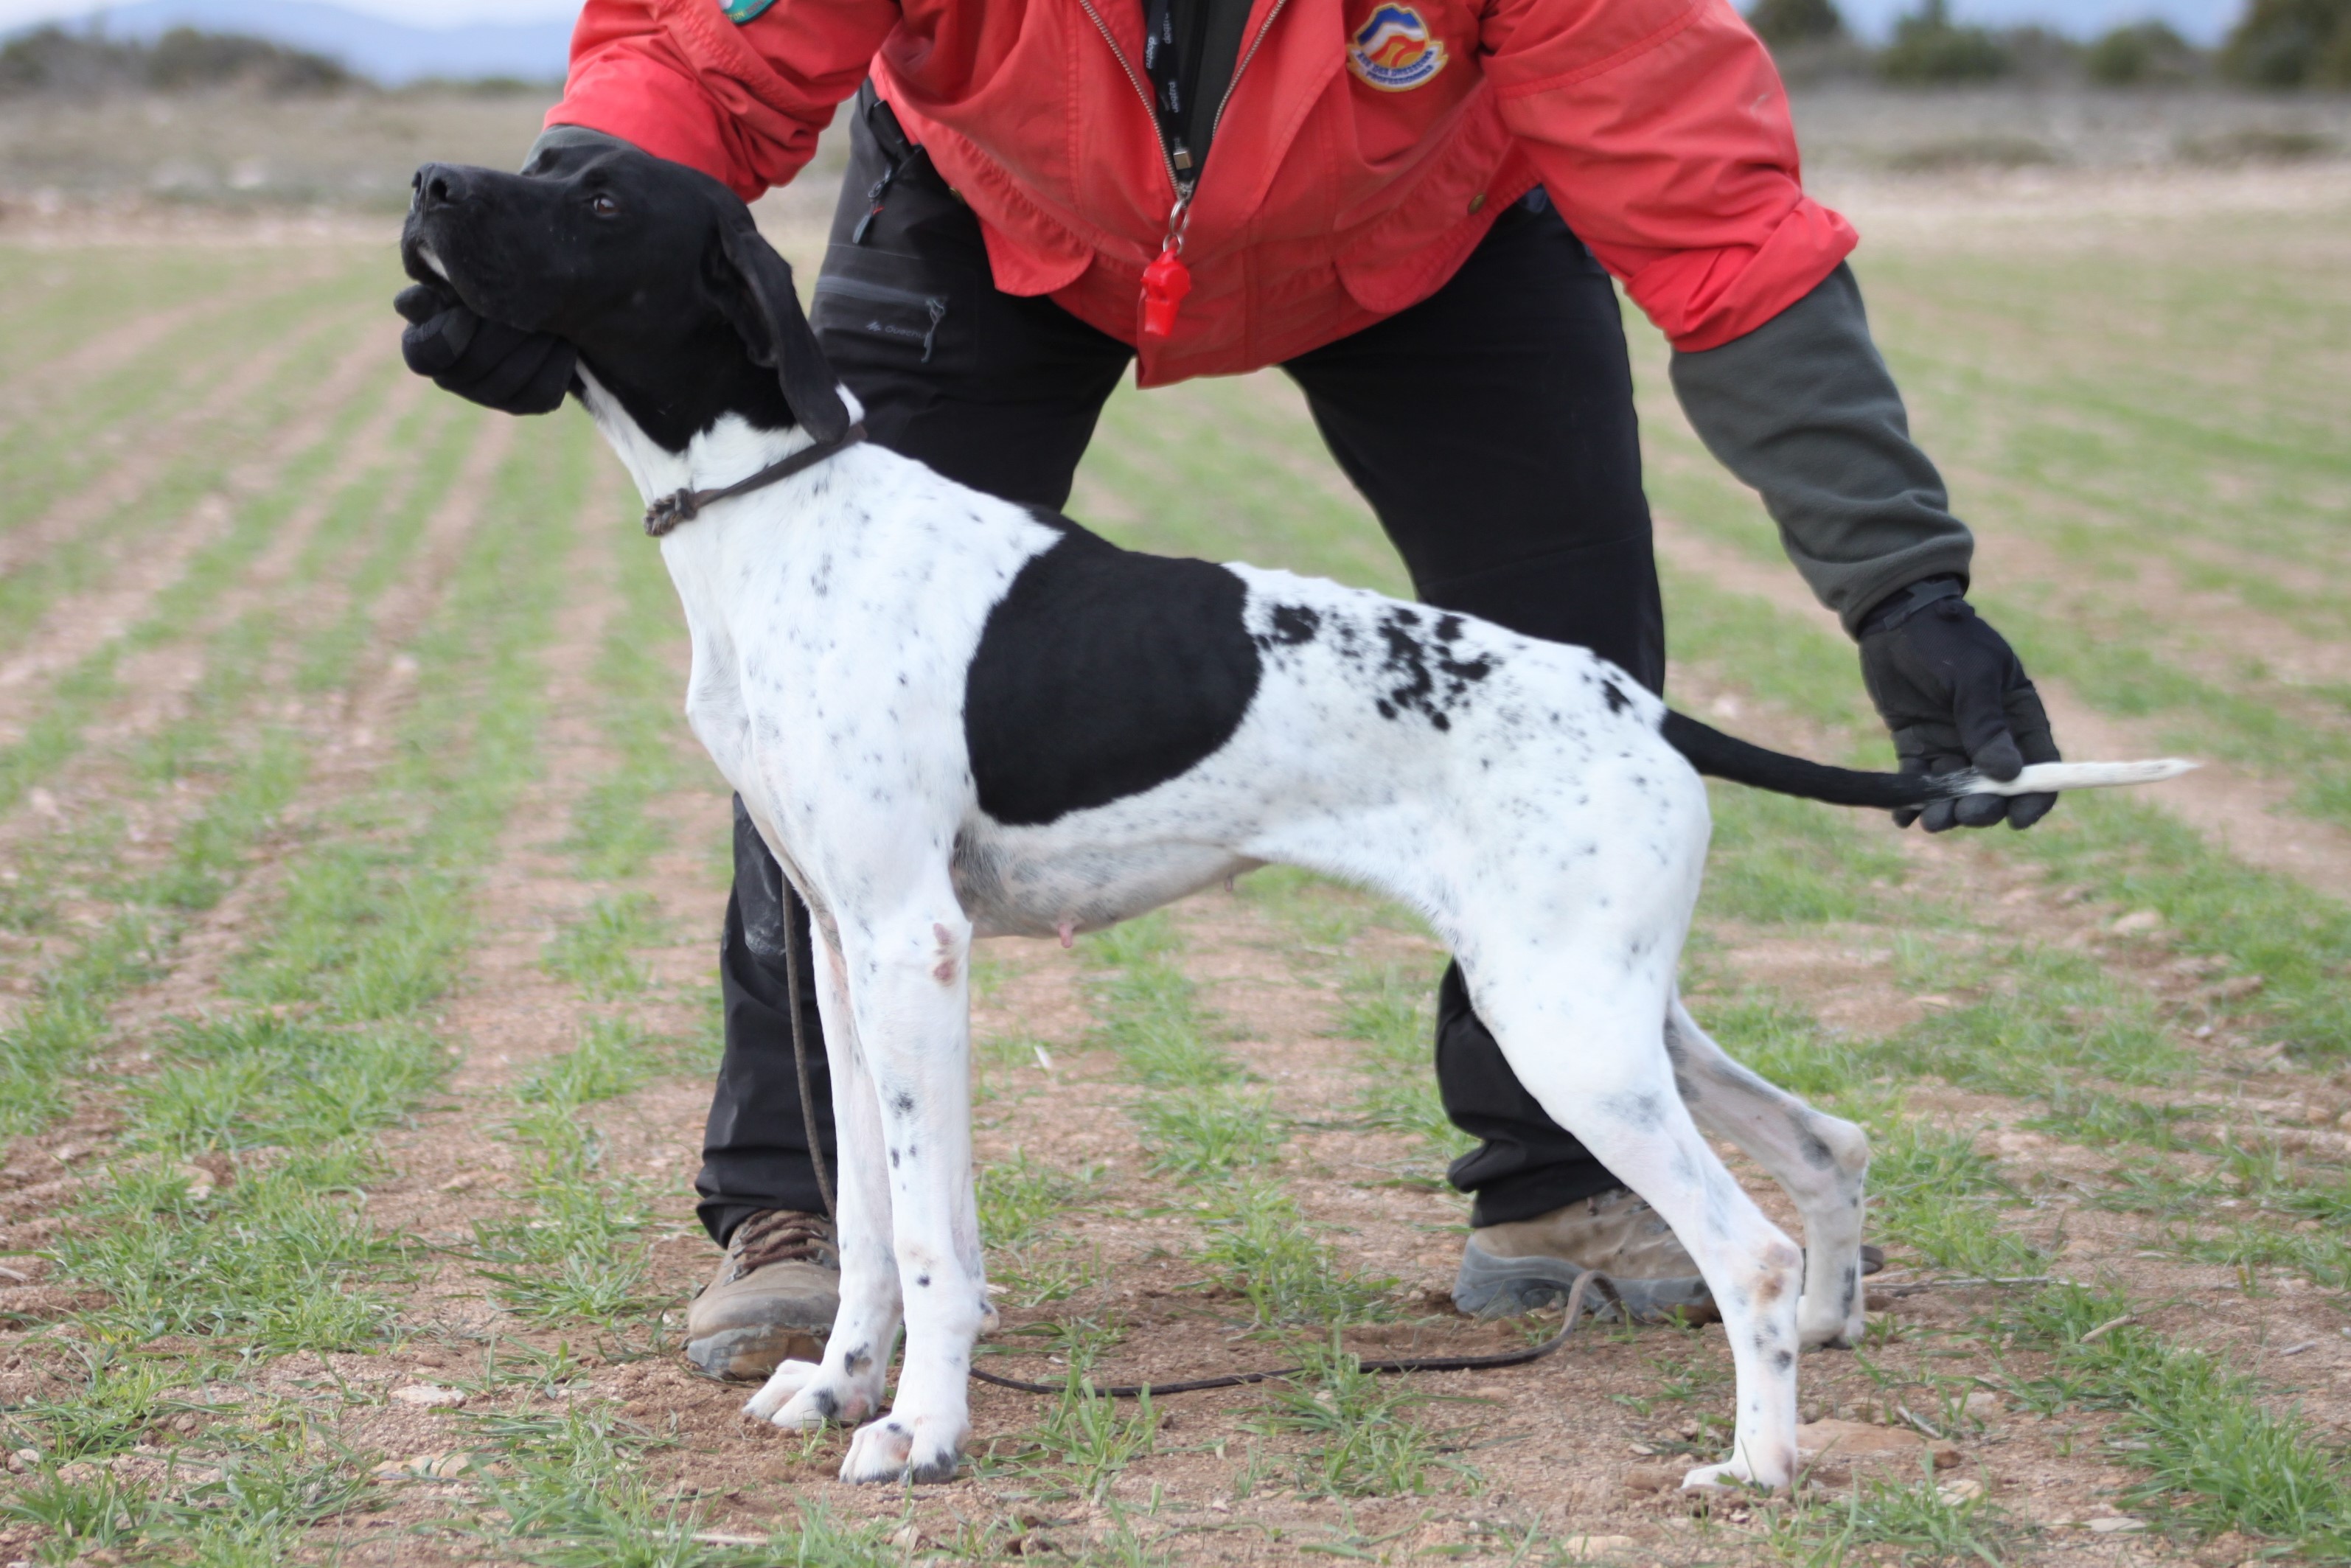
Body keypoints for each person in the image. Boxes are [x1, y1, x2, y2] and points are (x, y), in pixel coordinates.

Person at [397, 0, 2059, 1382]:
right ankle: (800, 1211)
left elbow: (1720, 216)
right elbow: (698, 54)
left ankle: (1559, 1184)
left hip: (1432, 227)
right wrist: (561, 235)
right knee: (833, 705)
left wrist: (1899, 581)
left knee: (1564, 670)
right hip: (997, 213)